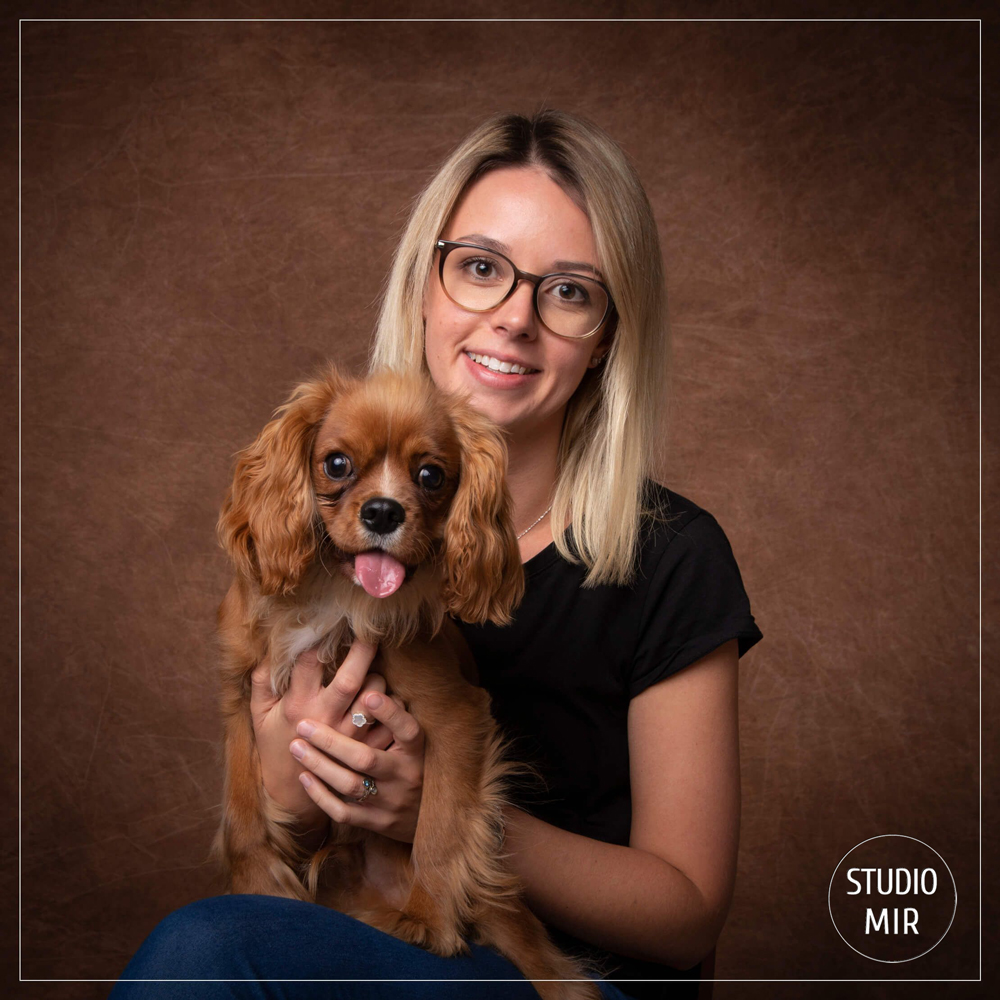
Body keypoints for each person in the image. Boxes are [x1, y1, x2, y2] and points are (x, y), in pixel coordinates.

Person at [110, 110, 763, 1000]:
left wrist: (441, 813)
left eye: (569, 291)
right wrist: (287, 793)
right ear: (426, 285)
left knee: (206, 952)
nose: (515, 319)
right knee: (220, 941)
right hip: (371, 936)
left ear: (609, 333)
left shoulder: (675, 557)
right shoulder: (327, 548)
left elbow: (687, 912)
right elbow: (291, 859)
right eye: (483, 269)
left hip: (565, 980)